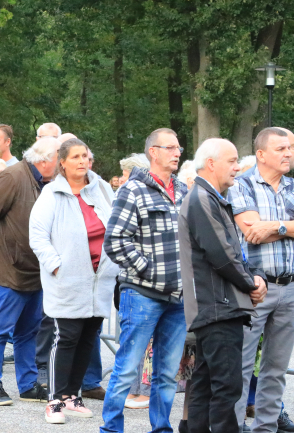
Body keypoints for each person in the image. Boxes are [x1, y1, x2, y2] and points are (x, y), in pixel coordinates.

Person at [100, 128, 188, 433]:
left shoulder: (184, 191)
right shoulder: (133, 190)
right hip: (142, 294)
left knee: (166, 374)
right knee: (126, 369)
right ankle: (111, 428)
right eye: (171, 148)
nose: (178, 152)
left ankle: (161, 428)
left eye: (179, 148)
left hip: (178, 299)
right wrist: (148, 269)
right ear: (153, 152)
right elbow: (115, 241)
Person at [179, 138, 267, 433]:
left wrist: (256, 278)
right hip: (218, 308)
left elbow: (236, 251)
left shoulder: (212, 198)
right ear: (211, 163)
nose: (238, 167)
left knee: (206, 384)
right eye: (231, 161)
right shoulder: (201, 199)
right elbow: (222, 255)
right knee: (227, 388)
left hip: (218, 307)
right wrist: (250, 284)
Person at [29, 139, 119, 424]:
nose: (82, 161)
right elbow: (38, 236)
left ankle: (71, 395)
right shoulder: (51, 194)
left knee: (87, 338)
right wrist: (57, 266)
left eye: (86, 156)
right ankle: (54, 400)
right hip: (67, 280)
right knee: (65, 337)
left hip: (98, 280)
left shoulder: (102, 189)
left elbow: (116, 224)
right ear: (63, 163)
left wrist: (113, 264)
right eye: (76, 157)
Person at [0, 136, 59, 406]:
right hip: (8, 269)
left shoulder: (48, 182)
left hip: (35, 271)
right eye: (59, 158)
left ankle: (28, 384)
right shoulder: (13, 176)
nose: (62, 164)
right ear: (44, 160)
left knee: (28, 332)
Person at [228, 127, 294, 433]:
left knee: (276, 368)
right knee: (241, 364)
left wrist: (275, 227)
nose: (289, 153)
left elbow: (262, 229)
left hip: (290, 287)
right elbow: (250, 228)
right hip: (254, 288)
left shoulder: (293, 187)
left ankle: (266, 428)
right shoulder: (242, 185)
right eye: (281, 148)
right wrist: (287, 226)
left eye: (291, 147)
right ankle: (236, 426)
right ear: (261, 154)